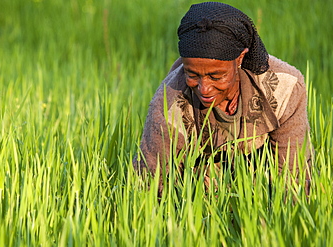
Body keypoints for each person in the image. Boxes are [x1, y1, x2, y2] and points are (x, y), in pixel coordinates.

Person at [133, 2, 312, 194]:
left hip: (261, 186)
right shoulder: (170, 103)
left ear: (240, 59)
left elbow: (294, 175)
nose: (204, 88)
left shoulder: (284, 87)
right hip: (200, 194)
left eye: (216, 76)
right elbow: (149, 181)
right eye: (192, 75)